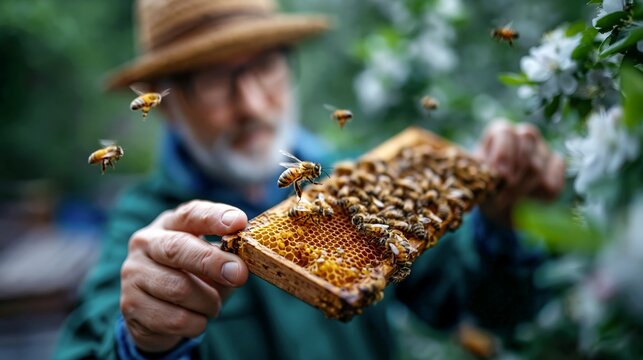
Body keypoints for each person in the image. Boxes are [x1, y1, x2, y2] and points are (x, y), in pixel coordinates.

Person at [54, 0, 565, 359]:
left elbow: (486, 311)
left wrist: (501, 221)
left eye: (265, 66)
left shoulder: (363, 180)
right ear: (165, 102)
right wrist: (141, 344)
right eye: (212, 79)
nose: (251, 104)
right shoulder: (140, 225)